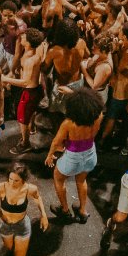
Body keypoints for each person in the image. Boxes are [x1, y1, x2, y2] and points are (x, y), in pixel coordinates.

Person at [46, 88, 105, 223]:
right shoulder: (99, 116)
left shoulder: (68, 124)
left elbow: (56, 142)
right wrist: (72, 94)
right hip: (90, 154)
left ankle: (65, 210)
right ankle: (83, 211)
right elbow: (89, 105)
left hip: (73, 157)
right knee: (81, 180)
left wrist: (50, 155)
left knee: (59, 178)